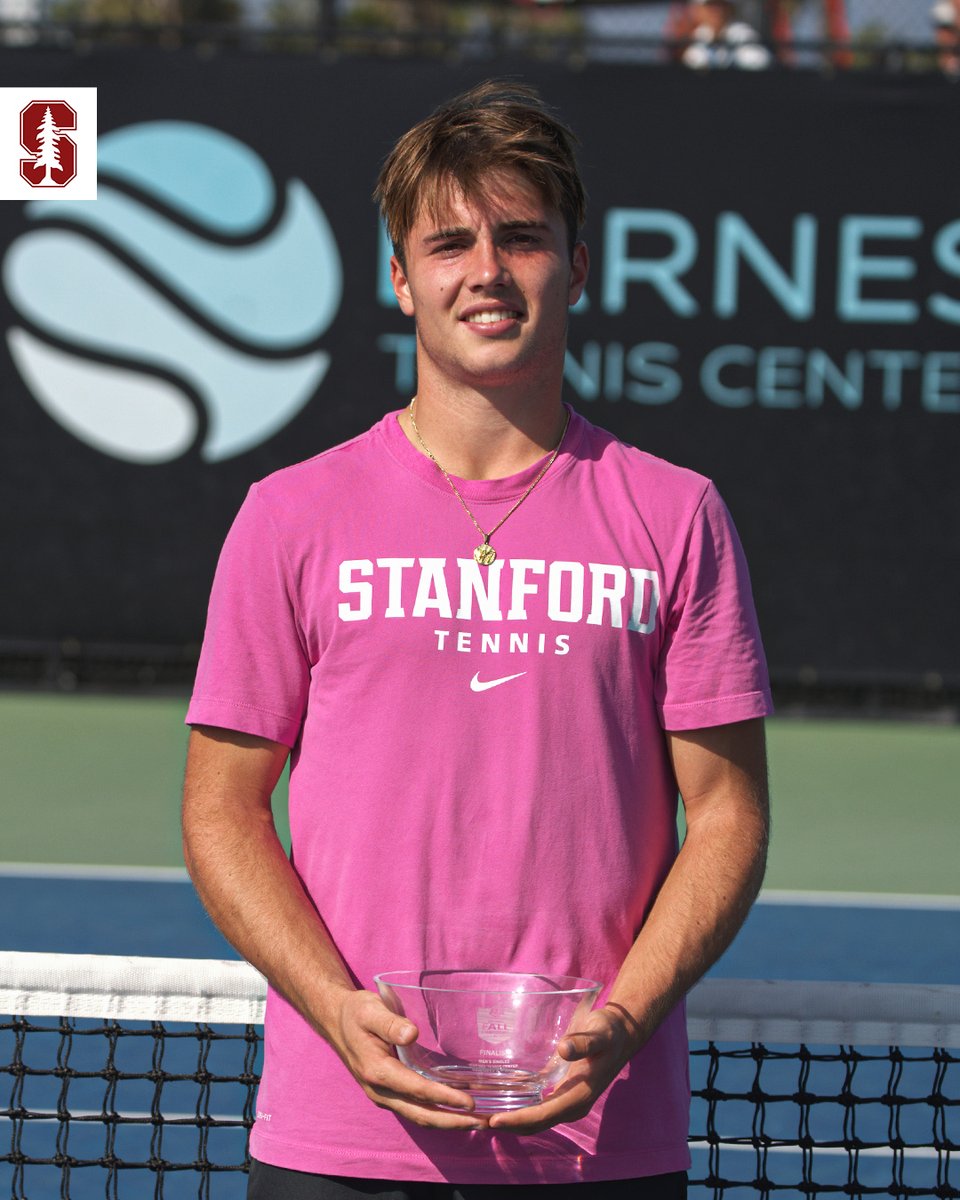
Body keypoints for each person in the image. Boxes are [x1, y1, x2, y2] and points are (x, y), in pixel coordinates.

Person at [182, 80, 772, 1200]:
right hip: (341, 1137)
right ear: (402, 277)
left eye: (522, 238)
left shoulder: (676, 513)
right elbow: (219, 806)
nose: (486, 271)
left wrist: (625, 1019)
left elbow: (731, 813)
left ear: (578, 267)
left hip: (600, 1146)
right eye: (448, 242)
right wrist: (336, 1011)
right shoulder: (289, 515)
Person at [682, 0, 772, 70]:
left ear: (730, 9)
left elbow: (760, 62)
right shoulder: (699, 36)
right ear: (700, 11)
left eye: (720, 5)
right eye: (710, 6)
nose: (716, 12)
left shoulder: (743, 34)